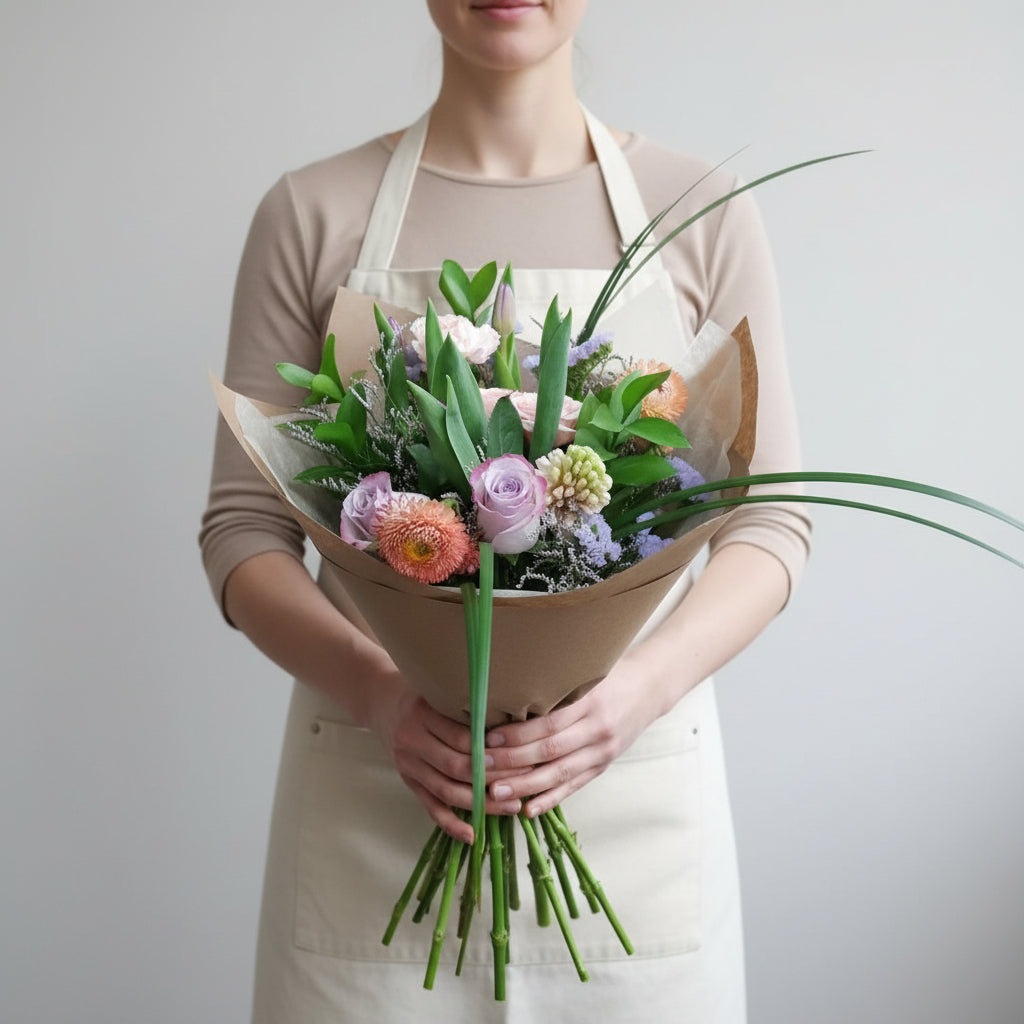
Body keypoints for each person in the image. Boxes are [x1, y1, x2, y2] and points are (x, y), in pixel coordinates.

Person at [200, 2, 811, 1020]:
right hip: (377, 804)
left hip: (632, 806)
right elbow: (242, 531)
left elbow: (769, 522)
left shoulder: (700, 208)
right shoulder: (312, 212)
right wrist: (380, 694)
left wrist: (634, 696)